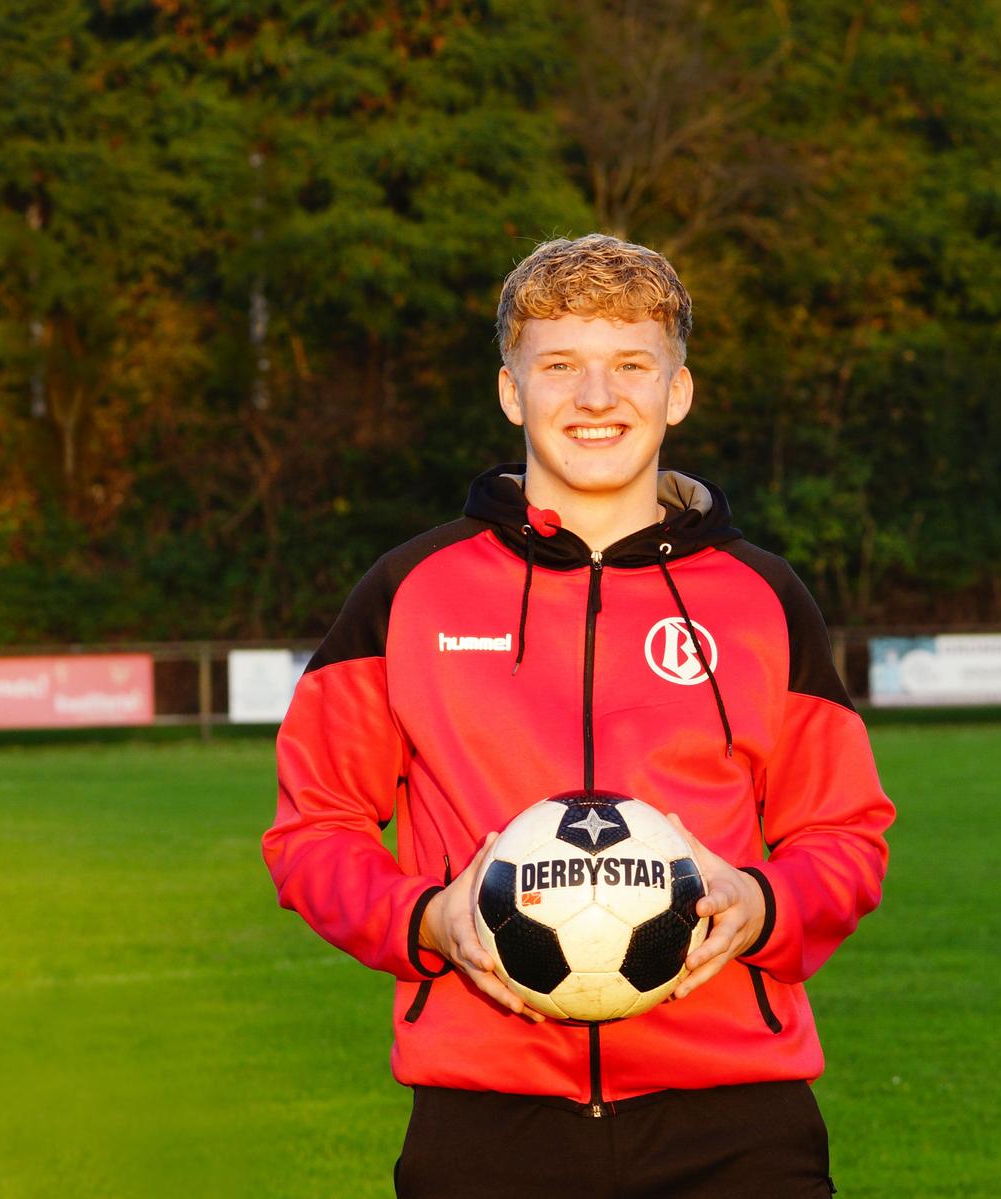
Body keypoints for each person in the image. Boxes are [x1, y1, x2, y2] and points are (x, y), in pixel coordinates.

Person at [263, 234, 894, 1197]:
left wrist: (764, 904)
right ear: (512, 391)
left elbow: (846, 834)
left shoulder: (765, 596)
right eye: (559, 365)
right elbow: (314, 830)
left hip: (737, 1123)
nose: (596, 397)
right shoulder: (407, 592)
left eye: (631, 365)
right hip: (486, 1121)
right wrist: (426, 918)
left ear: (677, 392)